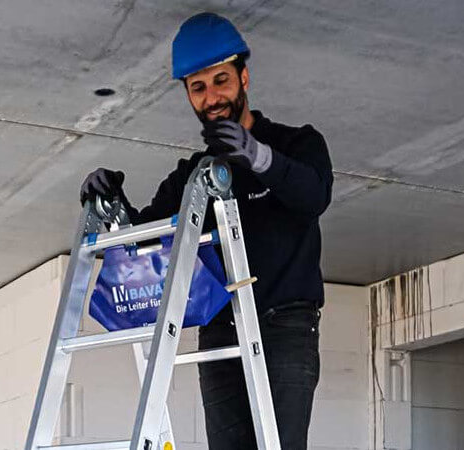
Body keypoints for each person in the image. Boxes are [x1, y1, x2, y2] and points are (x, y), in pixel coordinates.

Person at [80, 12, 333, 450]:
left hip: (284, 326)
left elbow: (314, 196)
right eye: (198, 88)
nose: (212, 96)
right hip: (220, 327)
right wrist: (111, 207)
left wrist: (257, 157)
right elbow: (144, 243)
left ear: (244, 77)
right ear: (189, 97)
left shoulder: (297, 144)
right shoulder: (192, 178)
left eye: (221, 81)